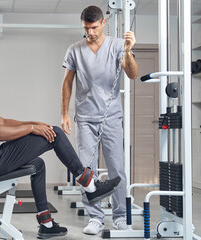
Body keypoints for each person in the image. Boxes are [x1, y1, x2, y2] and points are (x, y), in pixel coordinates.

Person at [0, 54, 121, 239]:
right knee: (55, 134)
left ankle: (46, 223)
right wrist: (31, 128)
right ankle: (89, 184)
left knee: (37, 164)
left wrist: (36, 124)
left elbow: (3, 122)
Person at [61, 6, 138, 235]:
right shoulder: (74, 50)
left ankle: (120, 216)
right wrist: (64, 113)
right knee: (87, 171)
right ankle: (95, 217)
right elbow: (67, 83)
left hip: (110, 116)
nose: (90, 32)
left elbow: (132, 74)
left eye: (94, 27)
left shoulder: (117, 45)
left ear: (103, 23)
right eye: (86, 28)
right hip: (84, 118)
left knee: (117, 169)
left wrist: (129, 51)